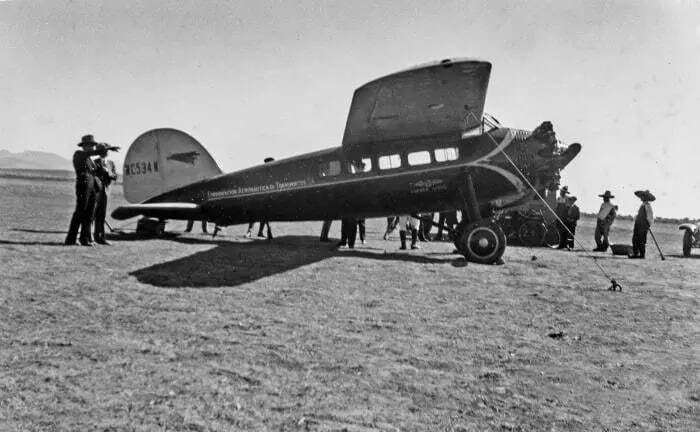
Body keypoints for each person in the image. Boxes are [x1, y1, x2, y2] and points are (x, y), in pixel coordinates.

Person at [65, 134, 107, 246]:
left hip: (92, 186)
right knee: (80, 212)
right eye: (89, 145)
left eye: (93, 145)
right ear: (83, 146)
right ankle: (71, 239)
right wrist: (101, 150)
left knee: (89, 214)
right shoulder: (79, 154)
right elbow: (89, 154)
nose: (92, 147)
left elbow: (97, 171)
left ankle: (85, 238)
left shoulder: (90, 160)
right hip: (84, 185)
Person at [93, 143, 119, 245]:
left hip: (106, 192)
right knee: (93, 215)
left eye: (107, 150)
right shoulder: (94, 162)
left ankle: (101, 238)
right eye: (105, 150)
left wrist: (109, 172)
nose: (106, 152)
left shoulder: (111, 163)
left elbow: (115, 176)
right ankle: (90, 237)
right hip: (96, 192)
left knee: (102, 216)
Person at [630, 190, 655, 259]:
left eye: (642, 196)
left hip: (643, 226)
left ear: (646, 197)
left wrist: (648, 225)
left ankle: (641, 254)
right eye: (641, 196)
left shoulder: (647, 206)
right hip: (638, 224)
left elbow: (650, 217)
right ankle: (636, 253)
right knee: (635, 239)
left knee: (641, 240)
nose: (641, 197)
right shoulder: (642, 205)